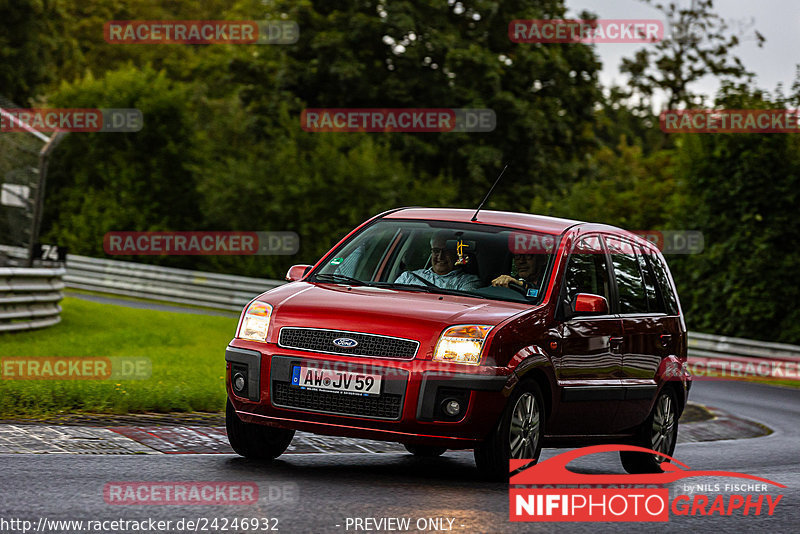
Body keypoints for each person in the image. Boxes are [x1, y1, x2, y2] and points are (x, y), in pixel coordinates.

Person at [394, 231, 481, 291]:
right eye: (436, 251)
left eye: (446, 251)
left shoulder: (467, 282)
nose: (440, 256)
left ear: (456, 253)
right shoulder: (408, 277)